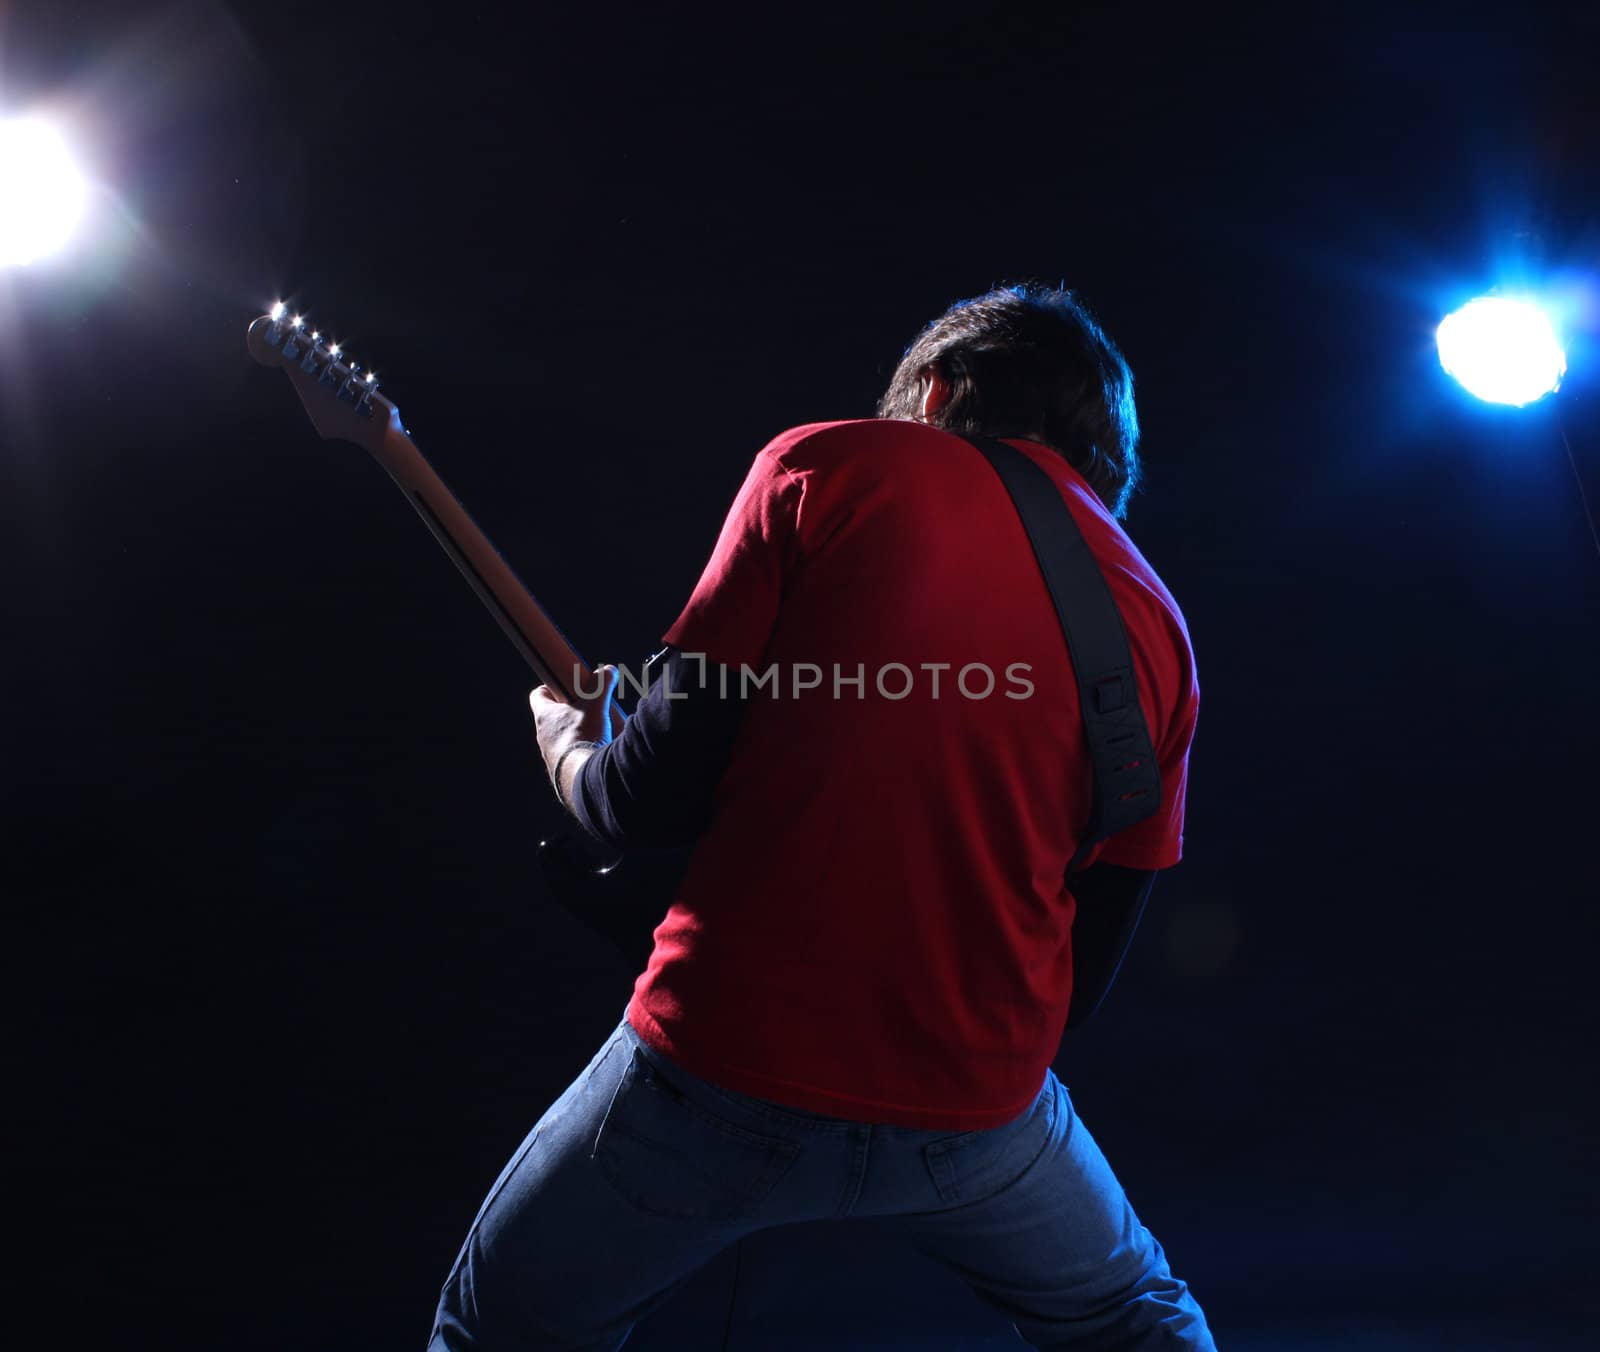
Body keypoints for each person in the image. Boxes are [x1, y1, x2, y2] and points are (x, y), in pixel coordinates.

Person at [427, 285, 1214, 1350]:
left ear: (935, 395)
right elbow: (1084, 976)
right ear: (1097, 460)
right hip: (974, 1111)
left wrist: (567, 744)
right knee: (1135, 1316)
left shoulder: (829, 464)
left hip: (716, 1076)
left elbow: (637, 799)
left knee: (501, 1332)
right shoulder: (1158, 621)